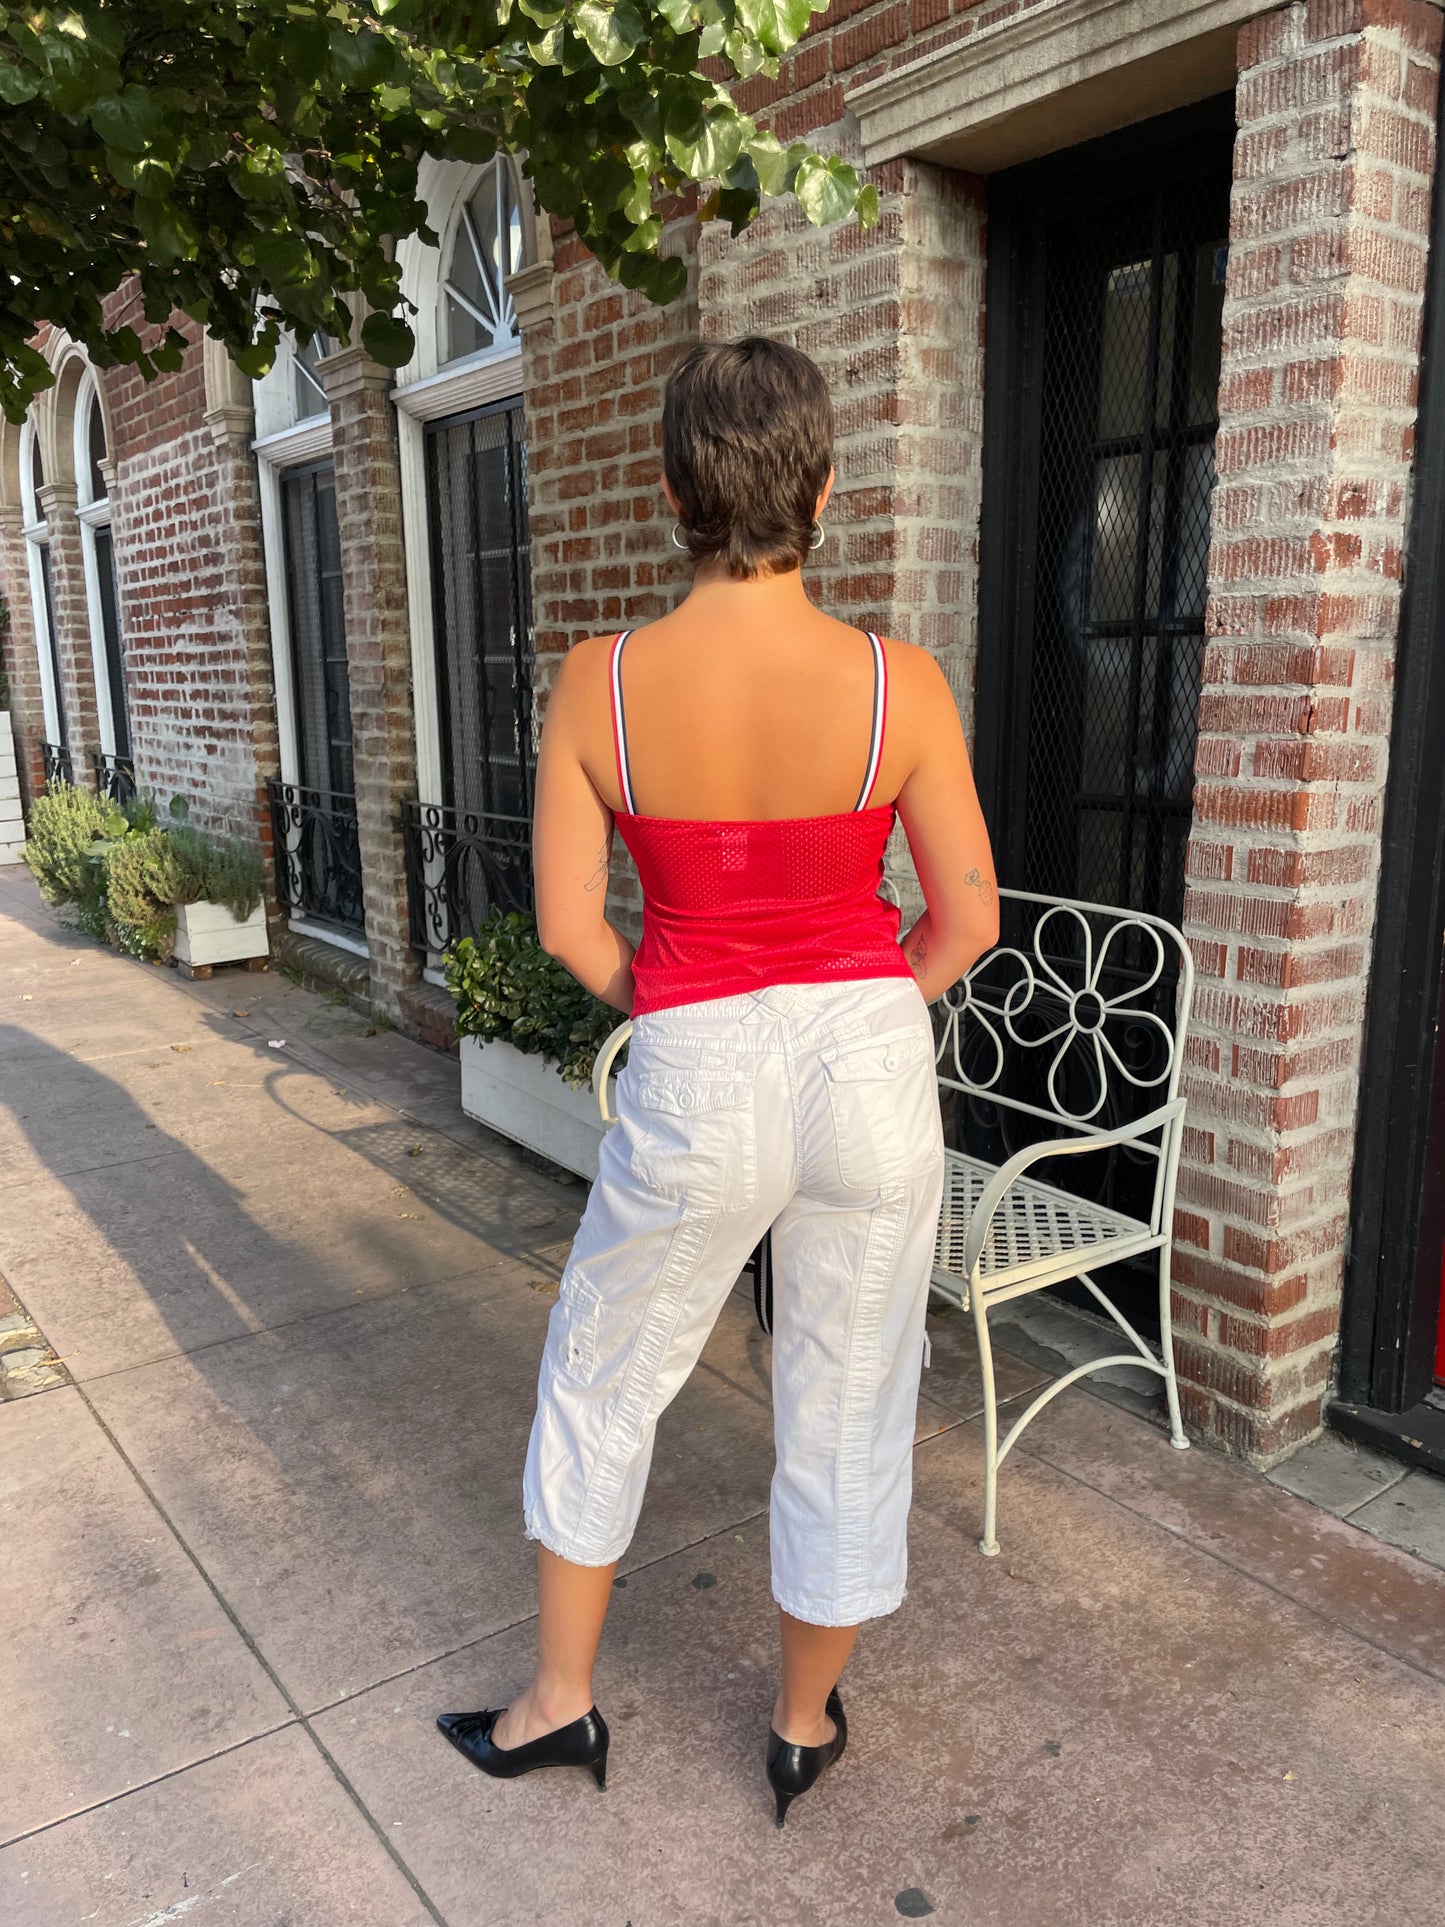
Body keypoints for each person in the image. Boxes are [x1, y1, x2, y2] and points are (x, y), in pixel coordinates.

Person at [437, 336, 999, 1825]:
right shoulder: (901, 684)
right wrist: (865, 999)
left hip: (697, 1058)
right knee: (847, 1393)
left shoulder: (599, 684)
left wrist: (680, 1009)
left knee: (606, 1369)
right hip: (869, 1063)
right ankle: (803, 1720)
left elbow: (570, 925)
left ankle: (560, 1705)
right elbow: (966, 923)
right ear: (822, 487)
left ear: (670, 486)